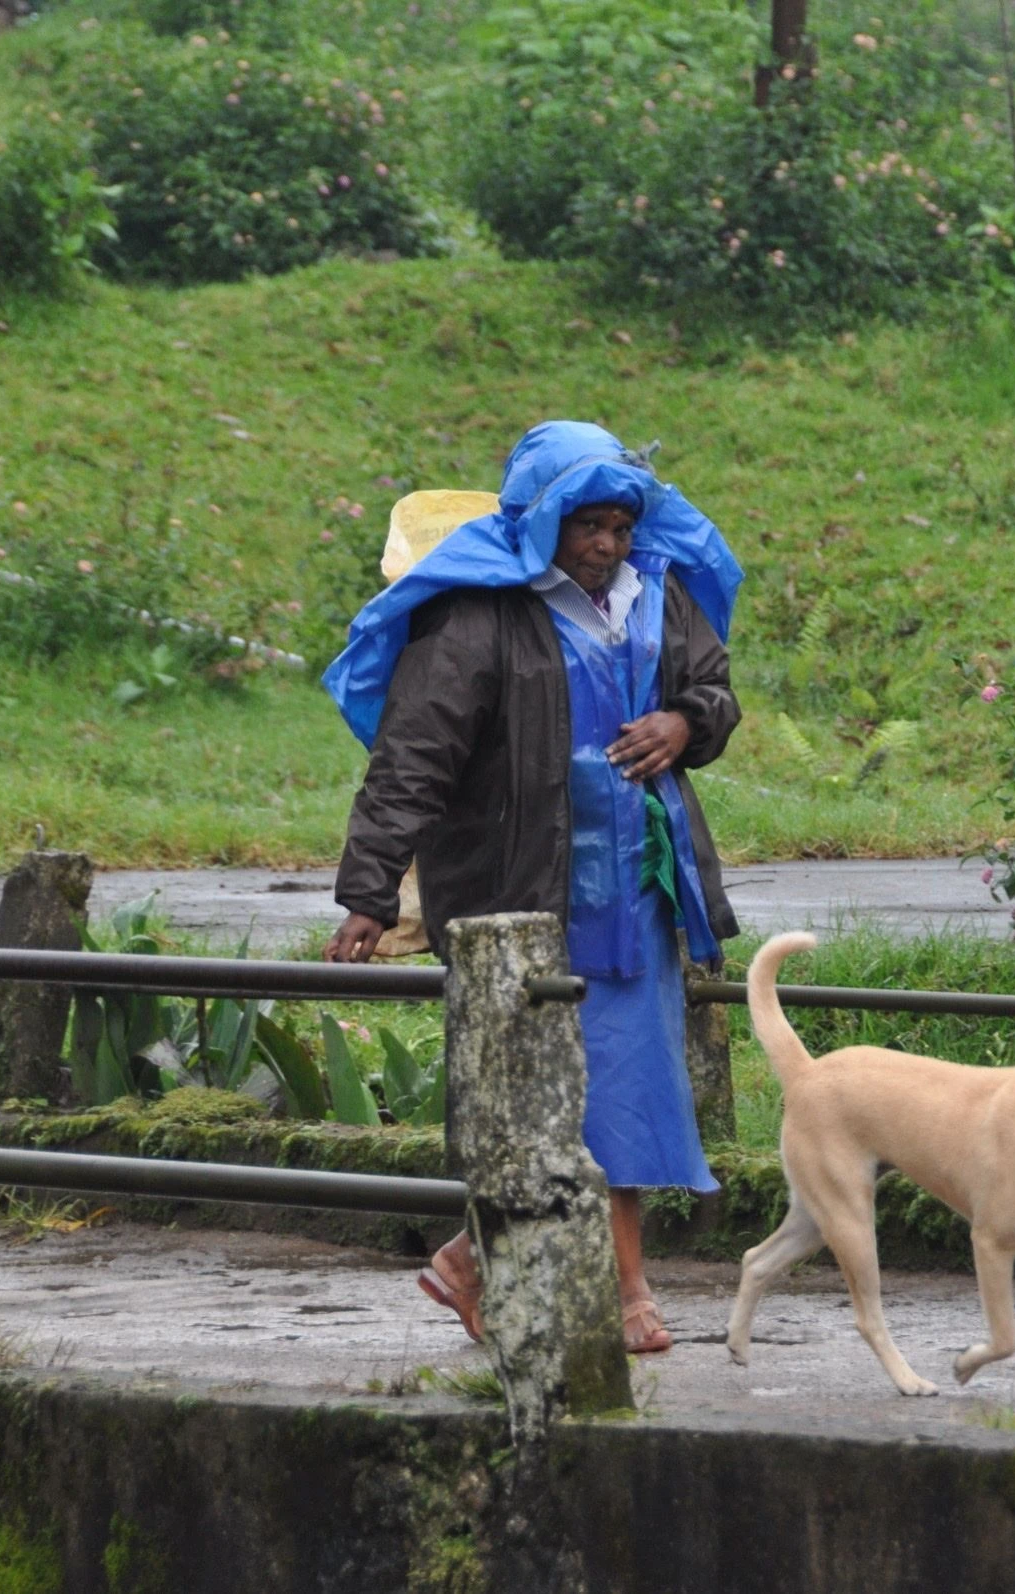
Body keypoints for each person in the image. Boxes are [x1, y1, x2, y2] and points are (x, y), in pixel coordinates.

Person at [321, 420, 745, 1354]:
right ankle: (586, 1286)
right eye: (586, 525)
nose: (606, 546)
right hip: (522, 897)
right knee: (552, 1098)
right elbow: (413, 759)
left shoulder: (657, 594)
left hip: (638, 892)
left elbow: (715, 691)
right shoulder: (477, 615)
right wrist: (371, 890)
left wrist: (683, 722)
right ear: (542, 520)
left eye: (620, 526)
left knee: (626, 1090)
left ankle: (525, 1273)